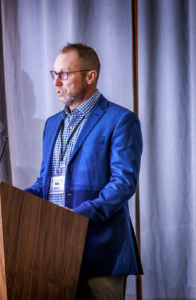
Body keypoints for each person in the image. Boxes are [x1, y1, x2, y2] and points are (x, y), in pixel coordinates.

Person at [25, 43, 143, 300]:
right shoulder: (52, 124)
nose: (56, 81)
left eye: (64, 74)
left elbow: (123, 184)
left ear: (90, 76)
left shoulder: (120, 120)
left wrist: (77, 218)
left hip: (100, 251)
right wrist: (7, 198)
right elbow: (44, 183)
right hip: (53, 252)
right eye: (53, 74)